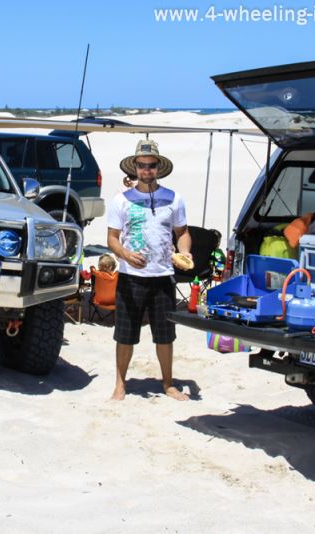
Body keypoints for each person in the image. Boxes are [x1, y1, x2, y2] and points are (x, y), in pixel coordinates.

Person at [106, 139, 193, 401]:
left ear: (159, 168)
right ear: (134, 167)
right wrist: (125, 254)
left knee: (165, 335)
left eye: (151, 165)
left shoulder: (173, 198)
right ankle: (120, 384)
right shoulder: (121, 200)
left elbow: (183, 232)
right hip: (132, 277)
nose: (146, 170)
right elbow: (112, 238)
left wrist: (185, 251)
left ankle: (168, 384)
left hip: (163, 276)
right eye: (142, 165)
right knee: (125, 334)